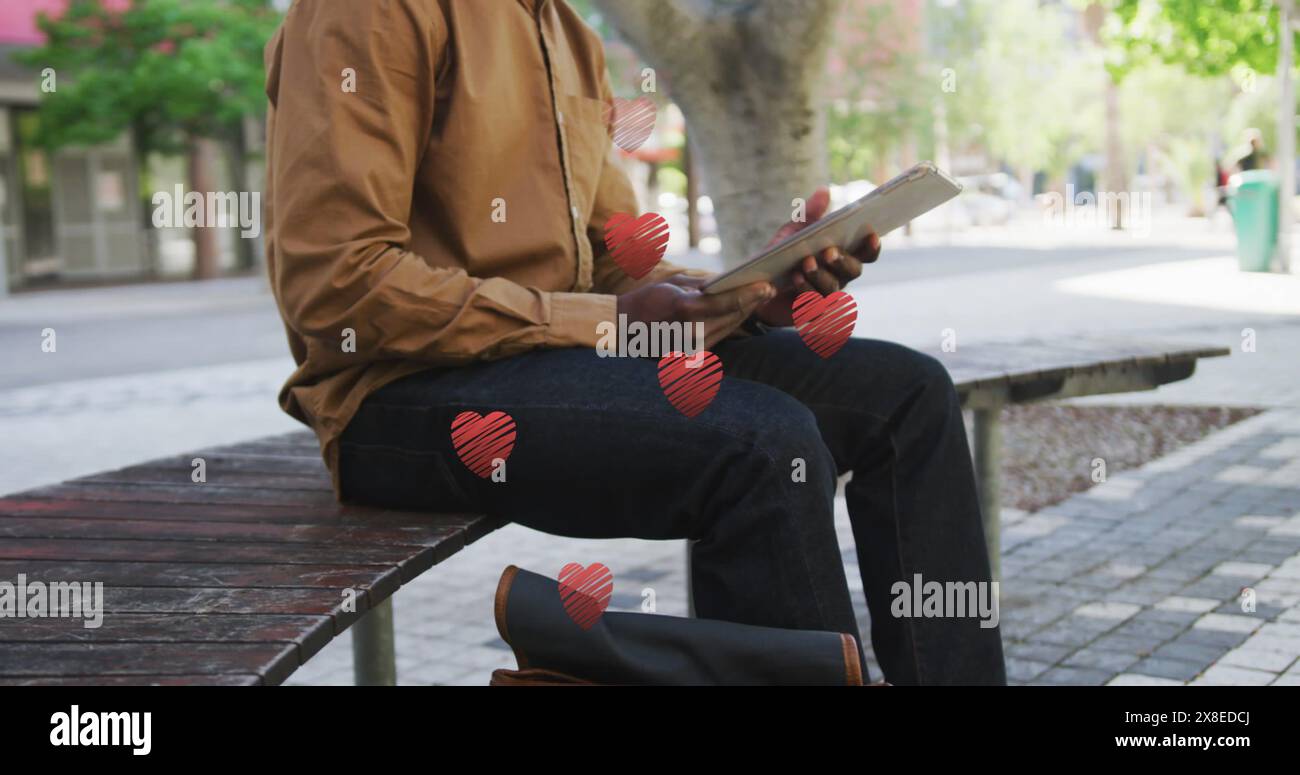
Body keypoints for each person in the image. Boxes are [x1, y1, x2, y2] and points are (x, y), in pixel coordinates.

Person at [263, 0, 1005, 685]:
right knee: (761, 444)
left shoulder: (568, 34)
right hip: (393, 393)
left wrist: (748, 293)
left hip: (551, 354)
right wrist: (605, 324)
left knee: (907, 395)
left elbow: (616, 261)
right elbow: (337, 285)